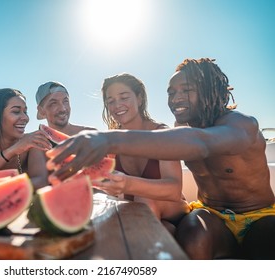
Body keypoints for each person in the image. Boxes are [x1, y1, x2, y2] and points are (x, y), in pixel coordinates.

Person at [45, 58, 275, 260]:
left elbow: (202, 143)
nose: (176, 98)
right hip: (210, 212)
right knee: (193, 241)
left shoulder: (242, 124)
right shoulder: (180, 128)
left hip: (259, 214)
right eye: (171, 92)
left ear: (209, 89)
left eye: (186, 90)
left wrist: (108, 139)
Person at [96, 73, 189, 233]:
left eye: (124, 97)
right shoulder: (111, 142)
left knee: (144, 200)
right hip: (139, 213)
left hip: (172, 207)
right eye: (110, 101)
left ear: (139, 99)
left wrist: (127, 184)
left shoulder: (162, 133)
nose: (117, 105)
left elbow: (174, 191)